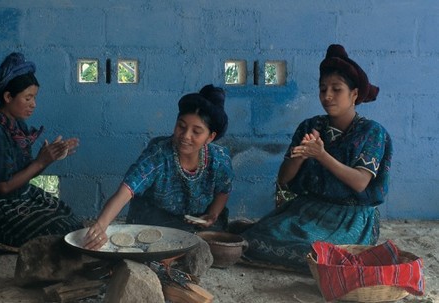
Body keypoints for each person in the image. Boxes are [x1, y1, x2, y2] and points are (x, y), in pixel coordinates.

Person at [239, 44, 392, 271]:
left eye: (336, 89)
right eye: (323, 89)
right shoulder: (310, 126)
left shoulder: (371, 132)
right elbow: (284, 179)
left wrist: (321, 155)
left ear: (354, 94)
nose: (327, 96)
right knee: (251, 239)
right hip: (307, 209)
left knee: (322, 255)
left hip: (350, 216)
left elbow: (360, 182)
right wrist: (301, 155)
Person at [0, 52, 82, 248]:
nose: (33, 104)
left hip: (18, 195)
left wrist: (50, 157)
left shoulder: (16, 124)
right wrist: (41, 161)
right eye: (28, 98)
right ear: (8, 96)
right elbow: (3, 187)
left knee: (71, 221)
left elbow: (24, 175)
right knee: (59, 232)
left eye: (34, 97)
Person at [84, 84, 233, 250]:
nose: (185, 136)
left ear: (210, 137)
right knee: (159, 244)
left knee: (215, 239)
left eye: (196, 131)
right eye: (181, 126)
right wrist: (101, 225)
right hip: (157, 218)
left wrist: (212, 215)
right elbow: (127, 189)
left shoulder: (219, 159)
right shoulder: (159, 154)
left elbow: (223, 190)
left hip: (196, 220)